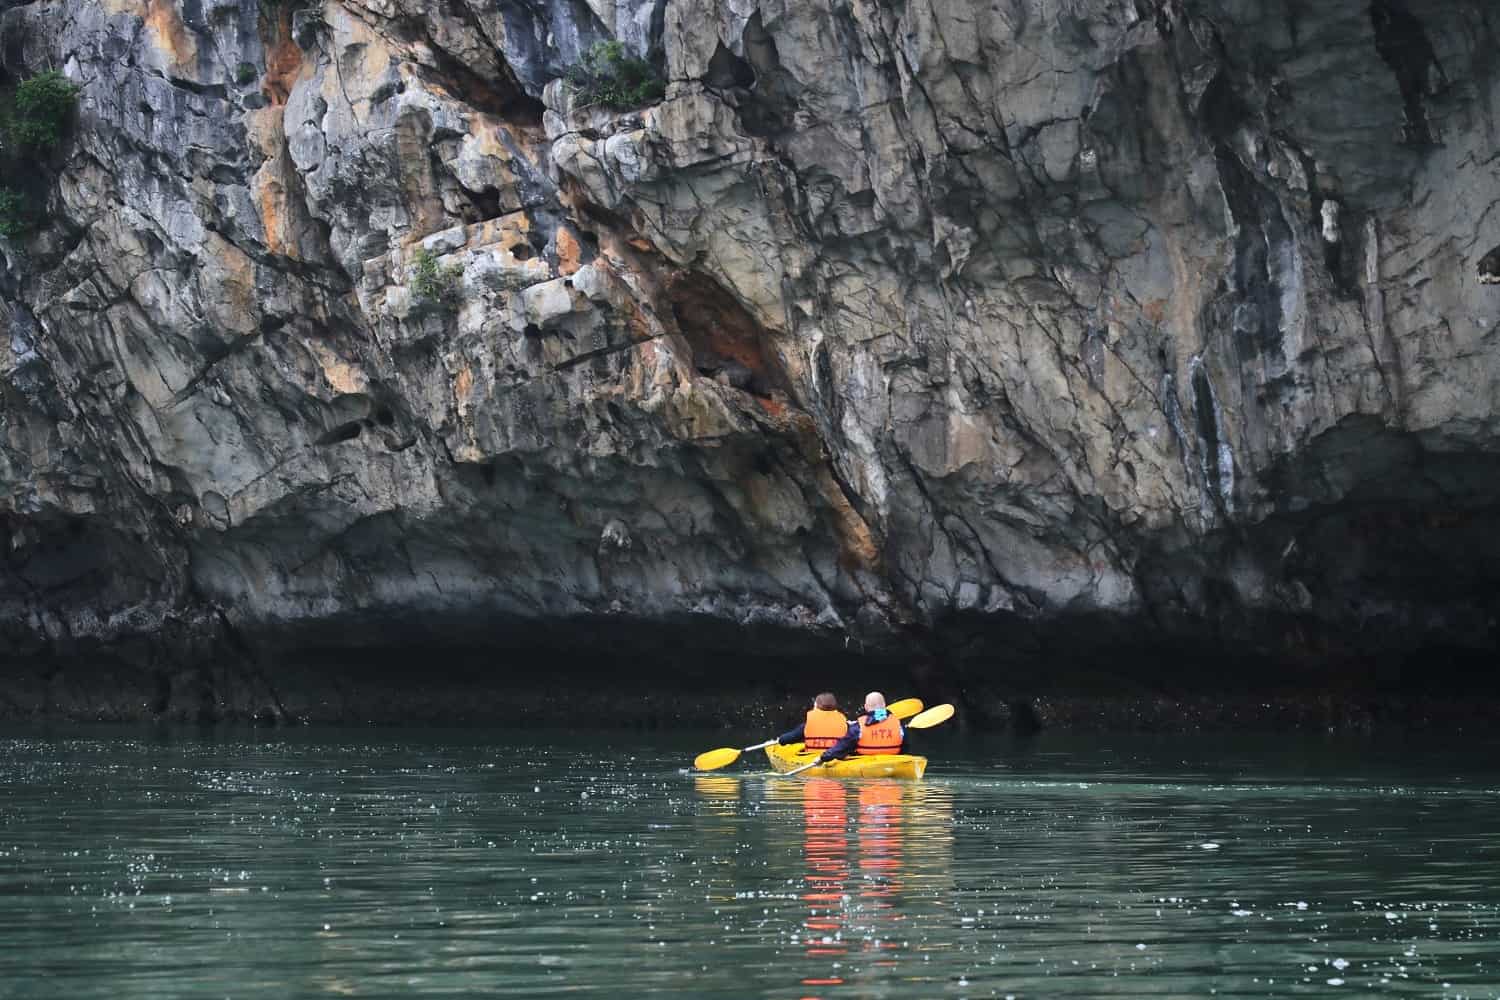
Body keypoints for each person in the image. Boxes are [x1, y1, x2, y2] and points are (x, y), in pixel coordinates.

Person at [817, 691, 906, 762]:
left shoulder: (858, 726)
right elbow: (905, 746)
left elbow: (842, 746)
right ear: (884, 705)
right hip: (893, 760)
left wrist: (824, 757)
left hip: (866, 762)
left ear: (866, 707)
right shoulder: (898, 723)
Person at [777, 692, 849, 752]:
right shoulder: (845, 724)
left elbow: (786, 739)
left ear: (816, 706)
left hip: (813, 757)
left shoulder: (807, 725)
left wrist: (780, 739)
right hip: (837, 757)